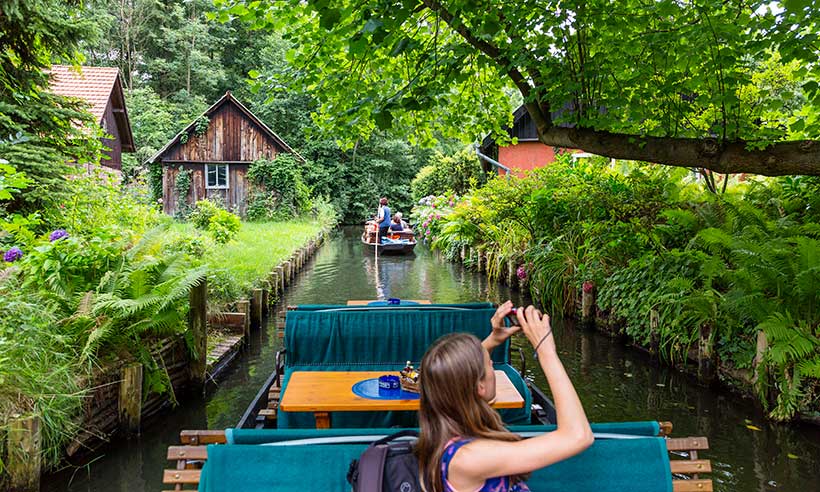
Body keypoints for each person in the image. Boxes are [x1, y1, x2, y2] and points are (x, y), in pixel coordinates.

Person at [416, 301, 594, 492]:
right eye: (489, 364)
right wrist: (546, 352)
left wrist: (493, 340)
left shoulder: (447, 438)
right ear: (479, 387)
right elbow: (578, 435)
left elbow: (458, 376)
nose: (492, 363)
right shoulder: (469, 458)